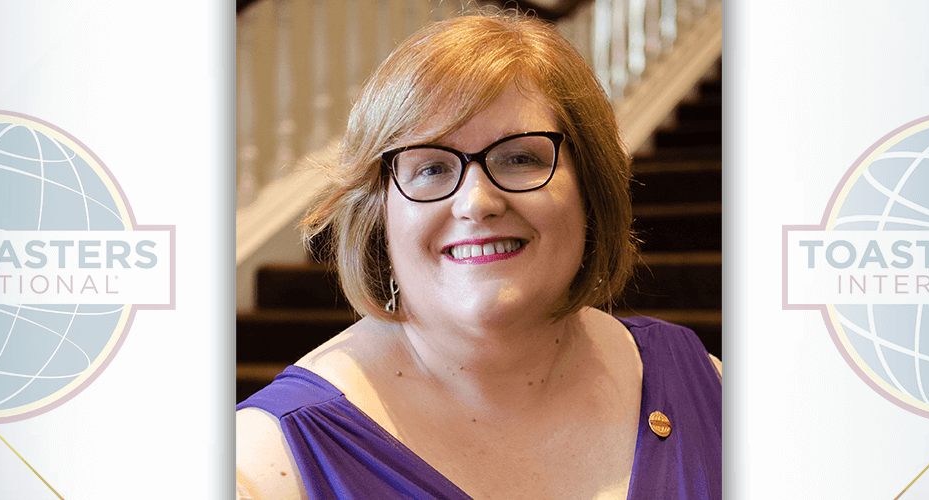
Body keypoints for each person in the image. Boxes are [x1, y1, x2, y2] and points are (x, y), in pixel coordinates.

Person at [235, 13, 720, 499]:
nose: (477, 203)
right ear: (379, 212)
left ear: (590, 189)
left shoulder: (714, 392)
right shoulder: (264, 462)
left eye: (520, 158)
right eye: (431, 167)